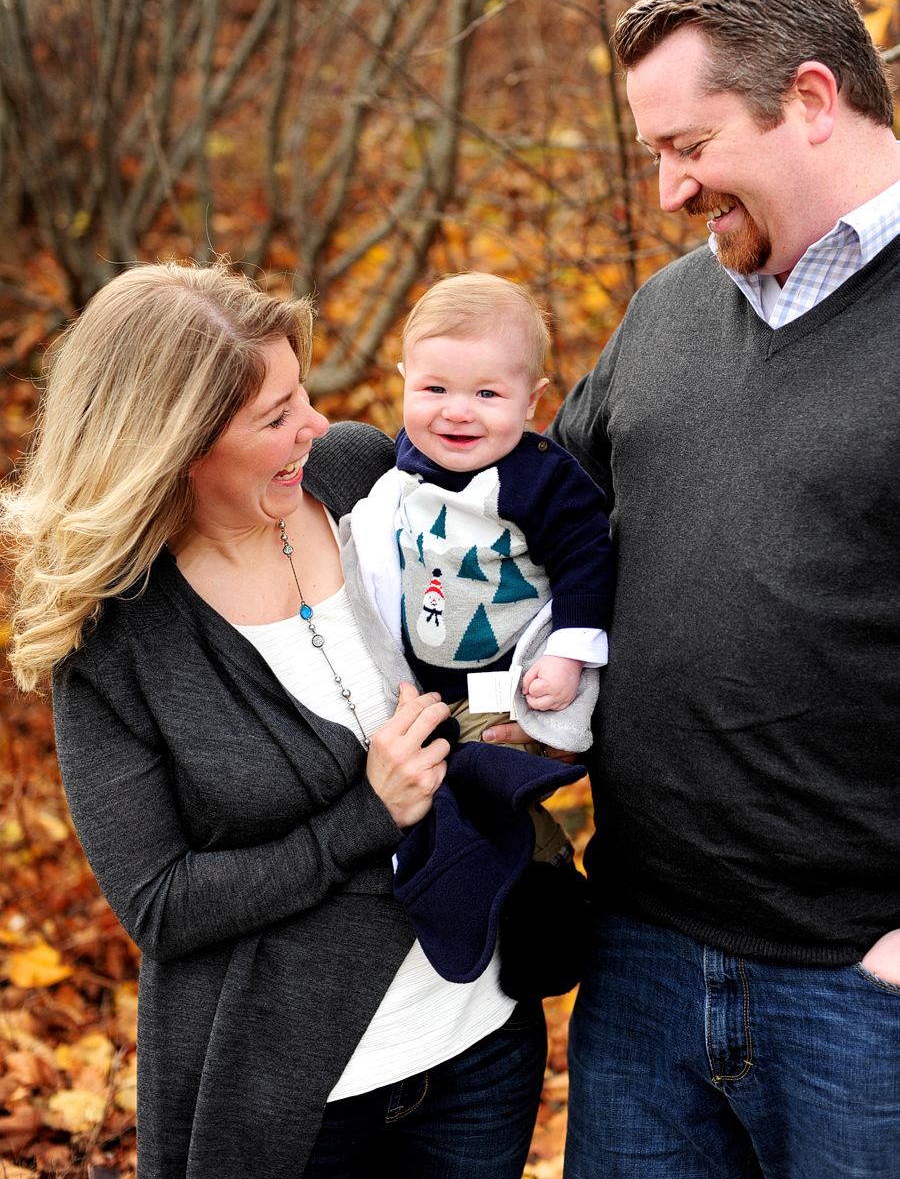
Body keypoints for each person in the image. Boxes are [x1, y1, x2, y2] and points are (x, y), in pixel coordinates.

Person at [1, 262, 548, 1179]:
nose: (316, 425)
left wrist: (506, 712)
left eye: (302, 393)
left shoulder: (364, 474)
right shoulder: (118, 636)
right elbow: (161, 901)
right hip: (294, 1095)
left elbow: (493, 604)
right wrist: (367, 817)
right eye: (276, 417)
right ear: (176, 447)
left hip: (480, 1043)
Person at [539, 0, 900, 1178]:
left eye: (690, 150)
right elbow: (538, 519)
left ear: (809, 99)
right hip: (638, 959)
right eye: (654, 156)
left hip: (863, 994)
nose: (671, 193)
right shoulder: (668, 311)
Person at [342, 273, 613, 873]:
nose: (457, 413)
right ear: (404, 382)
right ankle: (454, 871)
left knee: (475, 780)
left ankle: (537, 865)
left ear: (533, 401)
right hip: (426, 680)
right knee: (423, 781)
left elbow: (587, 559)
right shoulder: (406, 465)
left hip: (510, 680)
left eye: (487, 395)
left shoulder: (539, 480)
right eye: (435, 388)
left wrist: (568, 654)